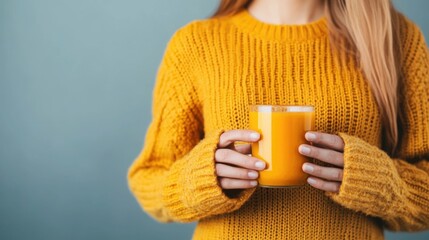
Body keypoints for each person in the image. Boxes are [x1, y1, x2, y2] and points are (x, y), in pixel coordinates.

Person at [128, 0, 429, 239]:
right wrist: (202, 179)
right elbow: (149, 179)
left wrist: (375, 180)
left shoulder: (395, 39)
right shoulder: (195, 45)